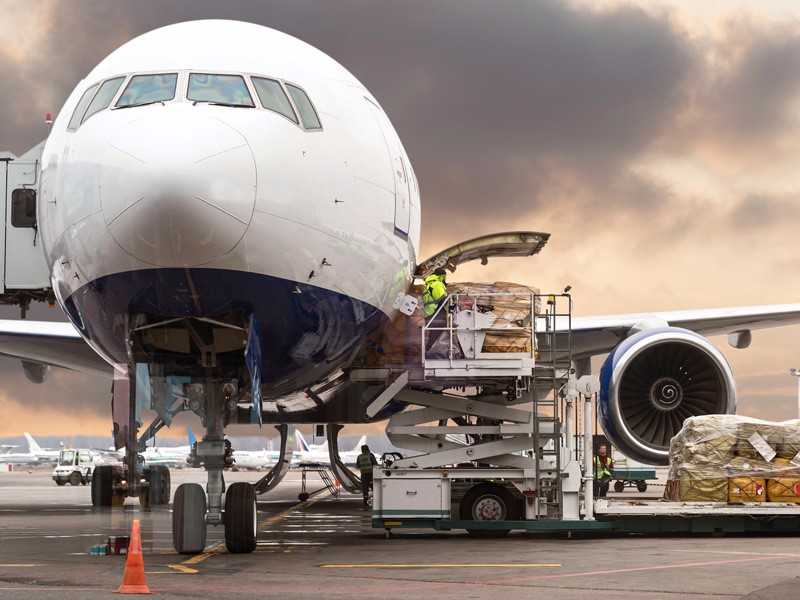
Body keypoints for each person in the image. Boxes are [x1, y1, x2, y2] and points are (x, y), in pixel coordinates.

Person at [422, 268, 449, 354]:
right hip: (436, 312)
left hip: (429, 312)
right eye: (444, 277)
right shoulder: (437, 284)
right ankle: (429, 350)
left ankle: (429, 349)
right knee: (439, 329)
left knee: (434, 332)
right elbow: (442, 299)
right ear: (442, 276)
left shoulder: (430, 284)